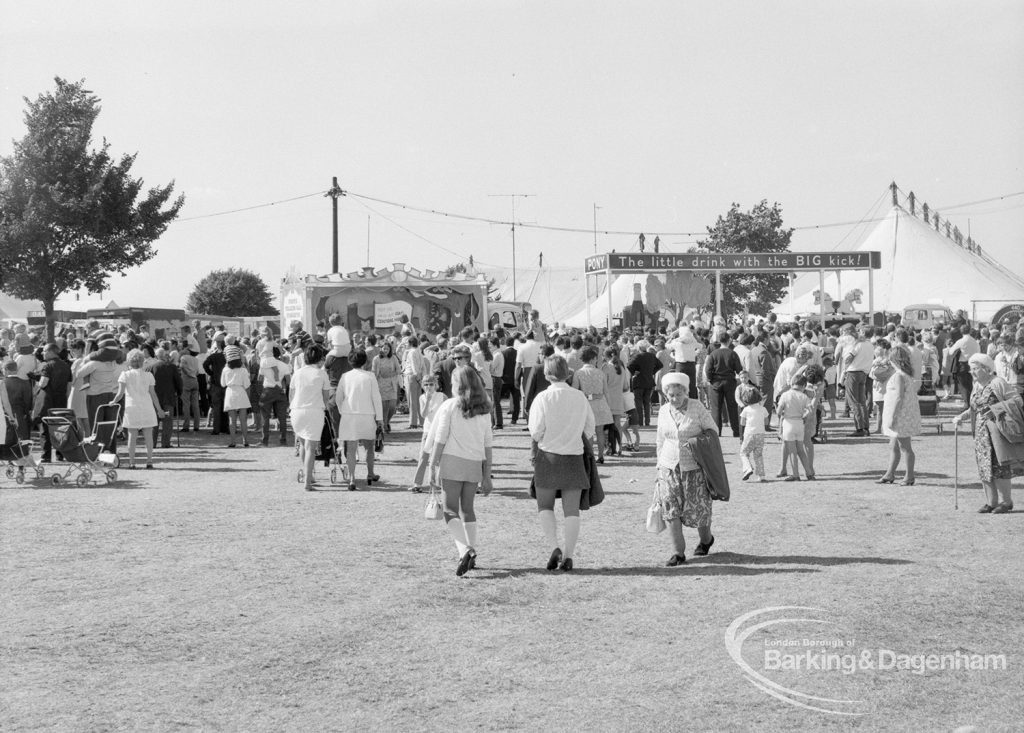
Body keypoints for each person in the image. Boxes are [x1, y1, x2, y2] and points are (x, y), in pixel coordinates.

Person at [528, 355, 595, 572]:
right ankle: (568, 555)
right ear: (567, 373)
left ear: (547, 374)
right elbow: (589, 428)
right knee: (571, 511)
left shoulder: (542, 398)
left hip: (548, 456)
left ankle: (554, 546)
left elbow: (536, 431)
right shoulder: (579, 397)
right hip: (574, 456)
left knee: (545, 506)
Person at [429, 366, 494, 576]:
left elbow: (440, 437)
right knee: (468, 509)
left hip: (452, 460)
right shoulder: (484, 408)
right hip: (474, 461)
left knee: (449, 510)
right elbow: (488, 444)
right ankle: (470, 551)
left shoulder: (450, 405)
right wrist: (487, 474)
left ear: (458, 384)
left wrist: (432, 464)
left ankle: (465, 549)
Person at [654, 372, 717, 566]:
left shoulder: (697, 407)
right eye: (670, 395)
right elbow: (660, 439)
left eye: (678, 395)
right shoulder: (664, 411)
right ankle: (678, 553)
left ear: (685, 392)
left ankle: (706, 540)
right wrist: (658, 466)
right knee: (671, 510)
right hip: (669, 467)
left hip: (694, 467)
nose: (674, 399)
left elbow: (712, 430)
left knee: (699, 509)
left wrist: (696, 442)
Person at [953, 354, 1020, 513]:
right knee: (984, 466)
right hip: (981, 434)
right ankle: (991, 502)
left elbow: (1017, 400)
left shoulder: (998, 383)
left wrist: (996, 410)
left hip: (998, 433)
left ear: (986, 369)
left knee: (1000, 467)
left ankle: (1006, 502)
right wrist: (961, 417)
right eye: (971, 369)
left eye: (975, 369)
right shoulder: (977, 386)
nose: (972, 372)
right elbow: (975, 407)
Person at [336, 349, 384, 490]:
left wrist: (342, 411)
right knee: (369, 447)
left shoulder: (345, 376)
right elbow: (376, 398)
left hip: (349, 415)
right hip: (367, 414)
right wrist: (379, 418)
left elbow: (338, 398)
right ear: (364, 361)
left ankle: (352, 478)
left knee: (351, 449)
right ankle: (370, 473)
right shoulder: (370, 376)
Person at [876, 344, 922, 486]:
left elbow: (898, 397)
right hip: (903, 413)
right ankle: (889, 474)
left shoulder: (898, 376)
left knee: (905, 447)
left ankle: (909, 476)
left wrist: (892, 417)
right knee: (893, 446)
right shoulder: (904, 374)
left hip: (900, 415)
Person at [112, 349, 165, 470]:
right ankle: (149, 461)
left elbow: (119, 394)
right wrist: (159, 409)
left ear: (129, 362)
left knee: (132, 436)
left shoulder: (125, 375)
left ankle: (132, 462)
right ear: (142, 362)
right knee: (148, 435)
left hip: (132, 407)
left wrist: (113, 402)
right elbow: (153, 394)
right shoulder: (149, 375)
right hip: (147, 406)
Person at [289, 343, 331, 491]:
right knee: (310, 448)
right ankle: (308, 480)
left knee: (302, 445)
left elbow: (291, 394)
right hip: (314, 410)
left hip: (296, 410)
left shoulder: (298, 373)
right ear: (319, 359)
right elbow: (326, 396)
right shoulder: (321, 373)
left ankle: (309, 476)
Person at [572, 346, 613, 463]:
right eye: (596, 358)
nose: (597, 360)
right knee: (600, 432)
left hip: (585, 405)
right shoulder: (600, 373)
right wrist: (608, 406)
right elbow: (606, 392)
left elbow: (575, 391)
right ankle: (601, 455)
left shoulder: (578, 373)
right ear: (592, 359)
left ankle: (590, 456)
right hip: (600, 404)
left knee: (588, 432)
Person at [408, 374, 446, 492]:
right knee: (423, 457)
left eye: (431, 384)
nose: (429, 387)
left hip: (440, 430)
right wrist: (428, 400)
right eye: (426, 384)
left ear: (436, 385)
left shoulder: (442, 396)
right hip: (428, 430)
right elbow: (423, 415)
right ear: (423, 386)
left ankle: (439, 483)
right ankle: (417, 484)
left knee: (439, 458)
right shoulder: (422, 398)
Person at [702, 332, 743, 438]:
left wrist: (711, 379)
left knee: (716, 409)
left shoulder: (713, 354)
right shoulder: (732, 353)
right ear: (729, 340)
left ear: (719, 341)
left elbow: (708, 369)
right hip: (729, 382)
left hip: (716, 382)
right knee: (732, 407)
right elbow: (739, 370)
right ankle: (736, 431)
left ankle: (717, 431)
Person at [776, 373, 814, 481]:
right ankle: (809, 473)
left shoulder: (785, 395)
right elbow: (810, 410)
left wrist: (783, 414)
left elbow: (779, 411)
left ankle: (795, 474)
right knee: (801, 450)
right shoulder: (804, 396)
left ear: (792, 383)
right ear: (803, 386)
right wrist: (804, 416)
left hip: (788, 423)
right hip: (799, 423)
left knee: (792, 451)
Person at [259, 345, 291, 446]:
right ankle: (283, 440)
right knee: (282, 417)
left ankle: (265, 440)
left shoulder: (264, 364)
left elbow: (259, 379)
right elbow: (288, 381)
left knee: (265, 416)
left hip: (267, 389)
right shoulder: (284, 365)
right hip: (279, 390)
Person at [150, 348, 182, 449]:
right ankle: (165, 443)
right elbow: (179, 382)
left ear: (156, 356)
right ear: (164, 356)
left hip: (154, 398)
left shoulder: (150, 367)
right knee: (167, 421)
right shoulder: (172, 367)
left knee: (154, 421)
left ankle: (152, 443)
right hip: (169, 397)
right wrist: (179, 392)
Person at [221, 344, 252, 447]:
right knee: (243, 419)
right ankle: (245, 440)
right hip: (241, 392)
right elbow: (247, 384)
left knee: (232, 420)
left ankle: (233, 441)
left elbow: (223, 384)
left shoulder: (225, 370)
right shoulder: (243, 370)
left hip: (230, 392)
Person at [627, 340, 661, 427]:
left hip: (638, 381)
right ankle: (647, 422)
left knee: (638, 403)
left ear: (639, 347)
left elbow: (629, 365)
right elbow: (660, 365)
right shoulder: (652, 356)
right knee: (647, 402)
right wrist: (652, 372)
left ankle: (640, 421)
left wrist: (634, 372)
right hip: (649, 381)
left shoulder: (637, 356)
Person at [602, 346, 629, 455]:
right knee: (617, 424)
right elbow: (625, 386)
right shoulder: (622, 367)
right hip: (618, 398)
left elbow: (603, 384)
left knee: (605, 426)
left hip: (607, 399)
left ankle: (608, 448)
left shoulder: (606, 367)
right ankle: (619, 447)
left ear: (606, 356)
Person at [738, 385, 768, 482]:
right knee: (758, 455)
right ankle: (761, 475)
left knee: (744, 453)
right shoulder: (763, 409)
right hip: (761, 434)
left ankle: (747, 468)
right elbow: (766, 422)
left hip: (749, 434)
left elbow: (742, 423)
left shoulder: (746, 410)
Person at [371, 340, 402, 433]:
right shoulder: (376, 359)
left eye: (387, 349)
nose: (385, 350)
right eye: (384, 348)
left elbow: (398, 370)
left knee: (392, 406)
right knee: (384, 407)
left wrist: (392, 373)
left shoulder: (393, 358)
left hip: (392, 384)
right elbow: (373, 372)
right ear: (381, 348)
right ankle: (384, 425)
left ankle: (387, 421)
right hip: (381, 384)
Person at [869, 339, 894, 436]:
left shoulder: (878, 361)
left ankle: (880, 428)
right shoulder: (890, 360)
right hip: (886, 385)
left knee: (880, 408)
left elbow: (872, 374)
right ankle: (883, 427)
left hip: (880, 386)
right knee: (885, 408)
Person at [401, 335, 426, 429]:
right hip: (417, 377)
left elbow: (413, 365)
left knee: (412, 401)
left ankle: (413, 423)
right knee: (418, 400)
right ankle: (422, 421)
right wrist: (422, 377)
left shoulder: (411, 352)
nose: (406, 344)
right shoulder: (418, 351)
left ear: (410, 343)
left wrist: (418, 377)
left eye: (407, 342)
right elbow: (423, 366)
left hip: (411, 377)